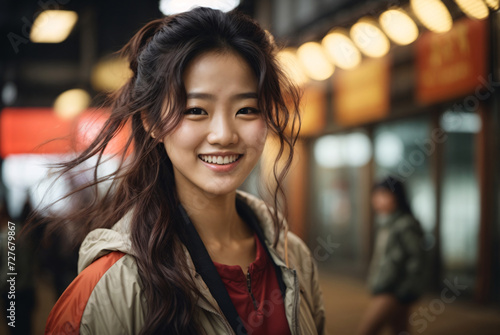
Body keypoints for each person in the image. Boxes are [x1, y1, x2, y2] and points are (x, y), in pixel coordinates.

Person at [42, 7, 325, 335]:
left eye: (246, 109)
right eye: (196, 110)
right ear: (151, 122)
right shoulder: (113, 284)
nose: (223, 135)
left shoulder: (295, 258)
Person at [357, 176, 426, 335]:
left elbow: (417, 259)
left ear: (397, 198)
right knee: (400, 330)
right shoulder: (385, 223)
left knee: (367, 330)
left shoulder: (404, 225)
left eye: (384, 194)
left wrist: (406, 290)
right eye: (376, 194)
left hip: (393, 290)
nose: (377, 200)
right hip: (389, 287)